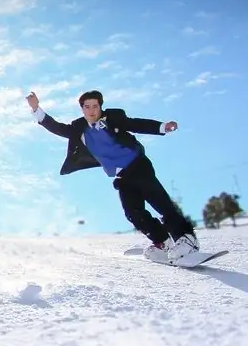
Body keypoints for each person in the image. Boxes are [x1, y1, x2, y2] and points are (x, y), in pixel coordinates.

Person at [25, 89, 199, 263]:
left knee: (160, 202)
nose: (92, 110)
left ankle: (187, 240)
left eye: (95, 106)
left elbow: (136, 124)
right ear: (82, 109)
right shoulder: (79, 129)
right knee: (133, 213)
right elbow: (57, 127)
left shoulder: (114, 118)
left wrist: (161, 127)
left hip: (138, 166)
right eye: (87, 107)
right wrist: (36, 109)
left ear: (100, 107)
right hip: (122, 176)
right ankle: (163, 242)